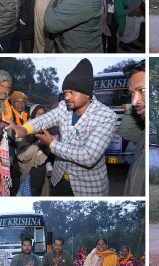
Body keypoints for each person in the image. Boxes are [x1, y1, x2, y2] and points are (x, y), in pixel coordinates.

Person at [7, 59, 117, 196]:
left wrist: (52, 144)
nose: (67, 97)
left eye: (72, 92)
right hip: (59, 180)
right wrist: (25, 129)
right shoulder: (64, 106)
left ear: (87, 94)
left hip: (86, 187)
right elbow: (45, 119)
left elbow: (89, 157)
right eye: (65, 93)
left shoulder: (106, 116)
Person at [122, 60, 146, 196]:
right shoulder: (143, 134)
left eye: (142, 90)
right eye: (132, 93)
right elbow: (125, 130)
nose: (133, 101)